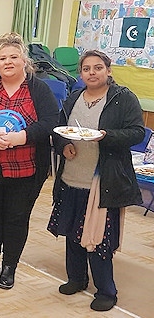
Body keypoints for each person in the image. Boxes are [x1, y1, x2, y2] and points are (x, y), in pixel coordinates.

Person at [48, 50, 144, 311]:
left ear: (108, 70)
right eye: (87, 69)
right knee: (71, 232)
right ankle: (76, 279)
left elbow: (136, 133)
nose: (92, 73)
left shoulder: (122, 98)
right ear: (81, 73)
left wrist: (106, 135)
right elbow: (58, 130)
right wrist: (63, 144)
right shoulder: (73, 98)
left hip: (103, 182)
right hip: (71, 177)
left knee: (98, 237)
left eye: (98, 68)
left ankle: (106, 291)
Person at [0, 32, 58, 289]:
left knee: (17, 218)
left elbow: (51, 122)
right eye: (2, 58)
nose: (7, 62)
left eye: (13, 57)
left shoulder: (40, 90)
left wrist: (22, 137)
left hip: (25, 169)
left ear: (23, 60)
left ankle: (9, 266)